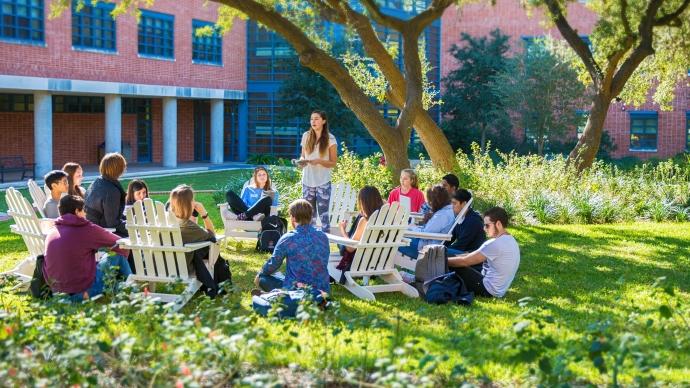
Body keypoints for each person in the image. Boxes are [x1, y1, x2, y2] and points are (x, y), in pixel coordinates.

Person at [43, 195, 132, 301]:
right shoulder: (85, 228)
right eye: (84, 210)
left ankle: (118, 288)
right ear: (77, 211)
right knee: (118, 255)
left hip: (57, 292)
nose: (85, 214)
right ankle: (134, 290)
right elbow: (120, 244)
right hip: (83, 290)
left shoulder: (53, 230)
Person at [254, 199, 330, 298]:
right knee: (282, 275)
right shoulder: (323, 236)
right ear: (311, 217)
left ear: (293, 218)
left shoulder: (288, 238)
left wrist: (261, 272)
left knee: (262, 277)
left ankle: (276, 294)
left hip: (297, 290)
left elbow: (273, 264)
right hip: (322, 291)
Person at [447, 207, 520, 298]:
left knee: (450, 258)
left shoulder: (494, 244)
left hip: (486, 289)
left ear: (498, 224)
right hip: (497, 289)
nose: (484, 229)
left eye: (487, 225)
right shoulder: (510, 240)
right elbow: (473, 255)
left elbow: (464, 261)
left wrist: (443, 260)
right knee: (450, 253)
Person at [169, 184, 226, 298]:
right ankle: (215, 284)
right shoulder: (188, 226)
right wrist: (204, 214)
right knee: (209, 248)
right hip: (181, 268)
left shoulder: (166, 220)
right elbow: (212, 236)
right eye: (193, 200)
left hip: (161, 265)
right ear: (188, 204)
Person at [298, 111, 338, 233]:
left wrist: (319, 161)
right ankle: (309, 239)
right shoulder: (306, 136)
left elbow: (333, 162)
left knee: (323, 214)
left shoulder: (331, 138)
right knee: (308, 214)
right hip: (307, 180)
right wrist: (301, 161)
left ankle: (325, 240)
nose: (313, 122)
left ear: (323, 121)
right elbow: (302, 156)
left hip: (323, 181)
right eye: (311, 119)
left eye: (316, 119)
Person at [398, 184, 455, 259]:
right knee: (396, 237)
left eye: (430, 201)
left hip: (424, 248)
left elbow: (425, 233)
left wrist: (412, 228)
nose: (429, 203)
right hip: (426, 243)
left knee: (393, 240)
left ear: (435, 200)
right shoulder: (445, 211)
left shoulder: (442, 215)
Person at [85, 153, 128, 237]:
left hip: (90, 229)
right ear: (119, 169)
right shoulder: (112, 191)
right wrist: (134, 227)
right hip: (101, 233)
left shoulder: (95, 183)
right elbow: (112, 223)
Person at [446, 189, 486, 257]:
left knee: (440, 252)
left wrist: (441, 249)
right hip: (463, 252)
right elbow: (450, 238)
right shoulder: (460, 218)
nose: (452, 206)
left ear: (464, 204)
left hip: (471, 257)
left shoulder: (473, 221)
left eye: (454, 203)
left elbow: (461, 245)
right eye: (451, 203)